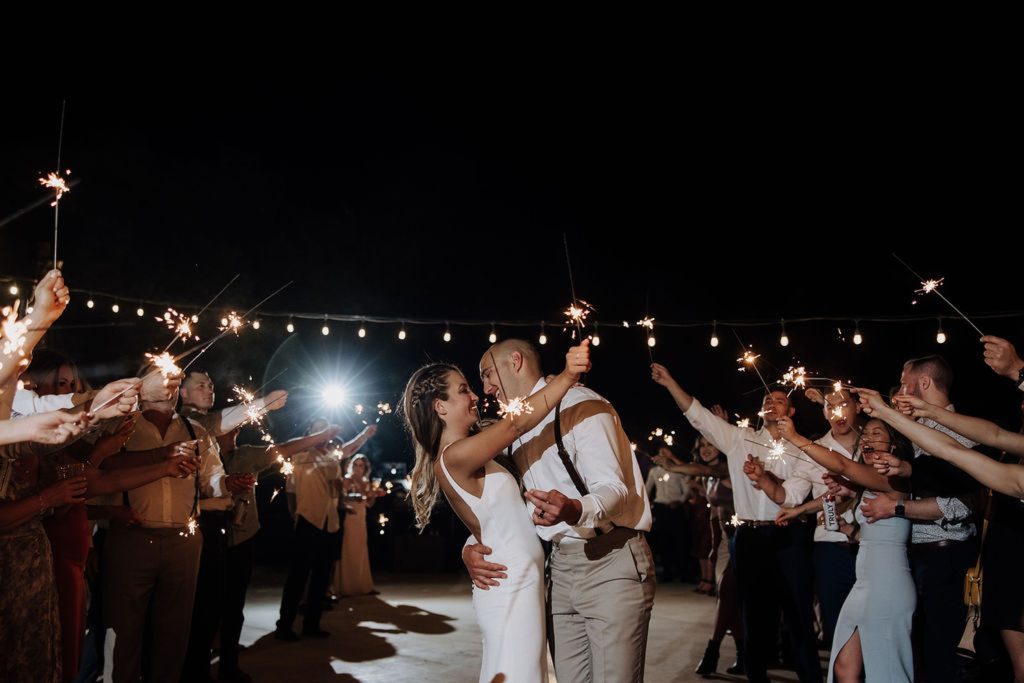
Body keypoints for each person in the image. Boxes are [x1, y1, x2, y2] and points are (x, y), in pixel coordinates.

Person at [403, 342, 591, 683]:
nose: (475, 396)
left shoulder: (475, 451)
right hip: (508, 586)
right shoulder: (453, 457)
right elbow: (515, 425)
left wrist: (470, 546)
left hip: (521, 582)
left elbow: (491, 518)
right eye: (463, 390)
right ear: (440, 407)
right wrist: (566, 376)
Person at [334, 454, 384, 597]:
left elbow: (369, 504)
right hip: (350, 516)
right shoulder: (348, 479)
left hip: (361, 518)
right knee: (348, 550)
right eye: (355, 464)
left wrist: (375, 495)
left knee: (361, 551)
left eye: (361, 465)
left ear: (365, 468)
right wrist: (355, 497)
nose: (358, 468)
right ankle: (346, 587)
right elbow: (341, 497)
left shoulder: (366, 481)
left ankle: (363, 586)